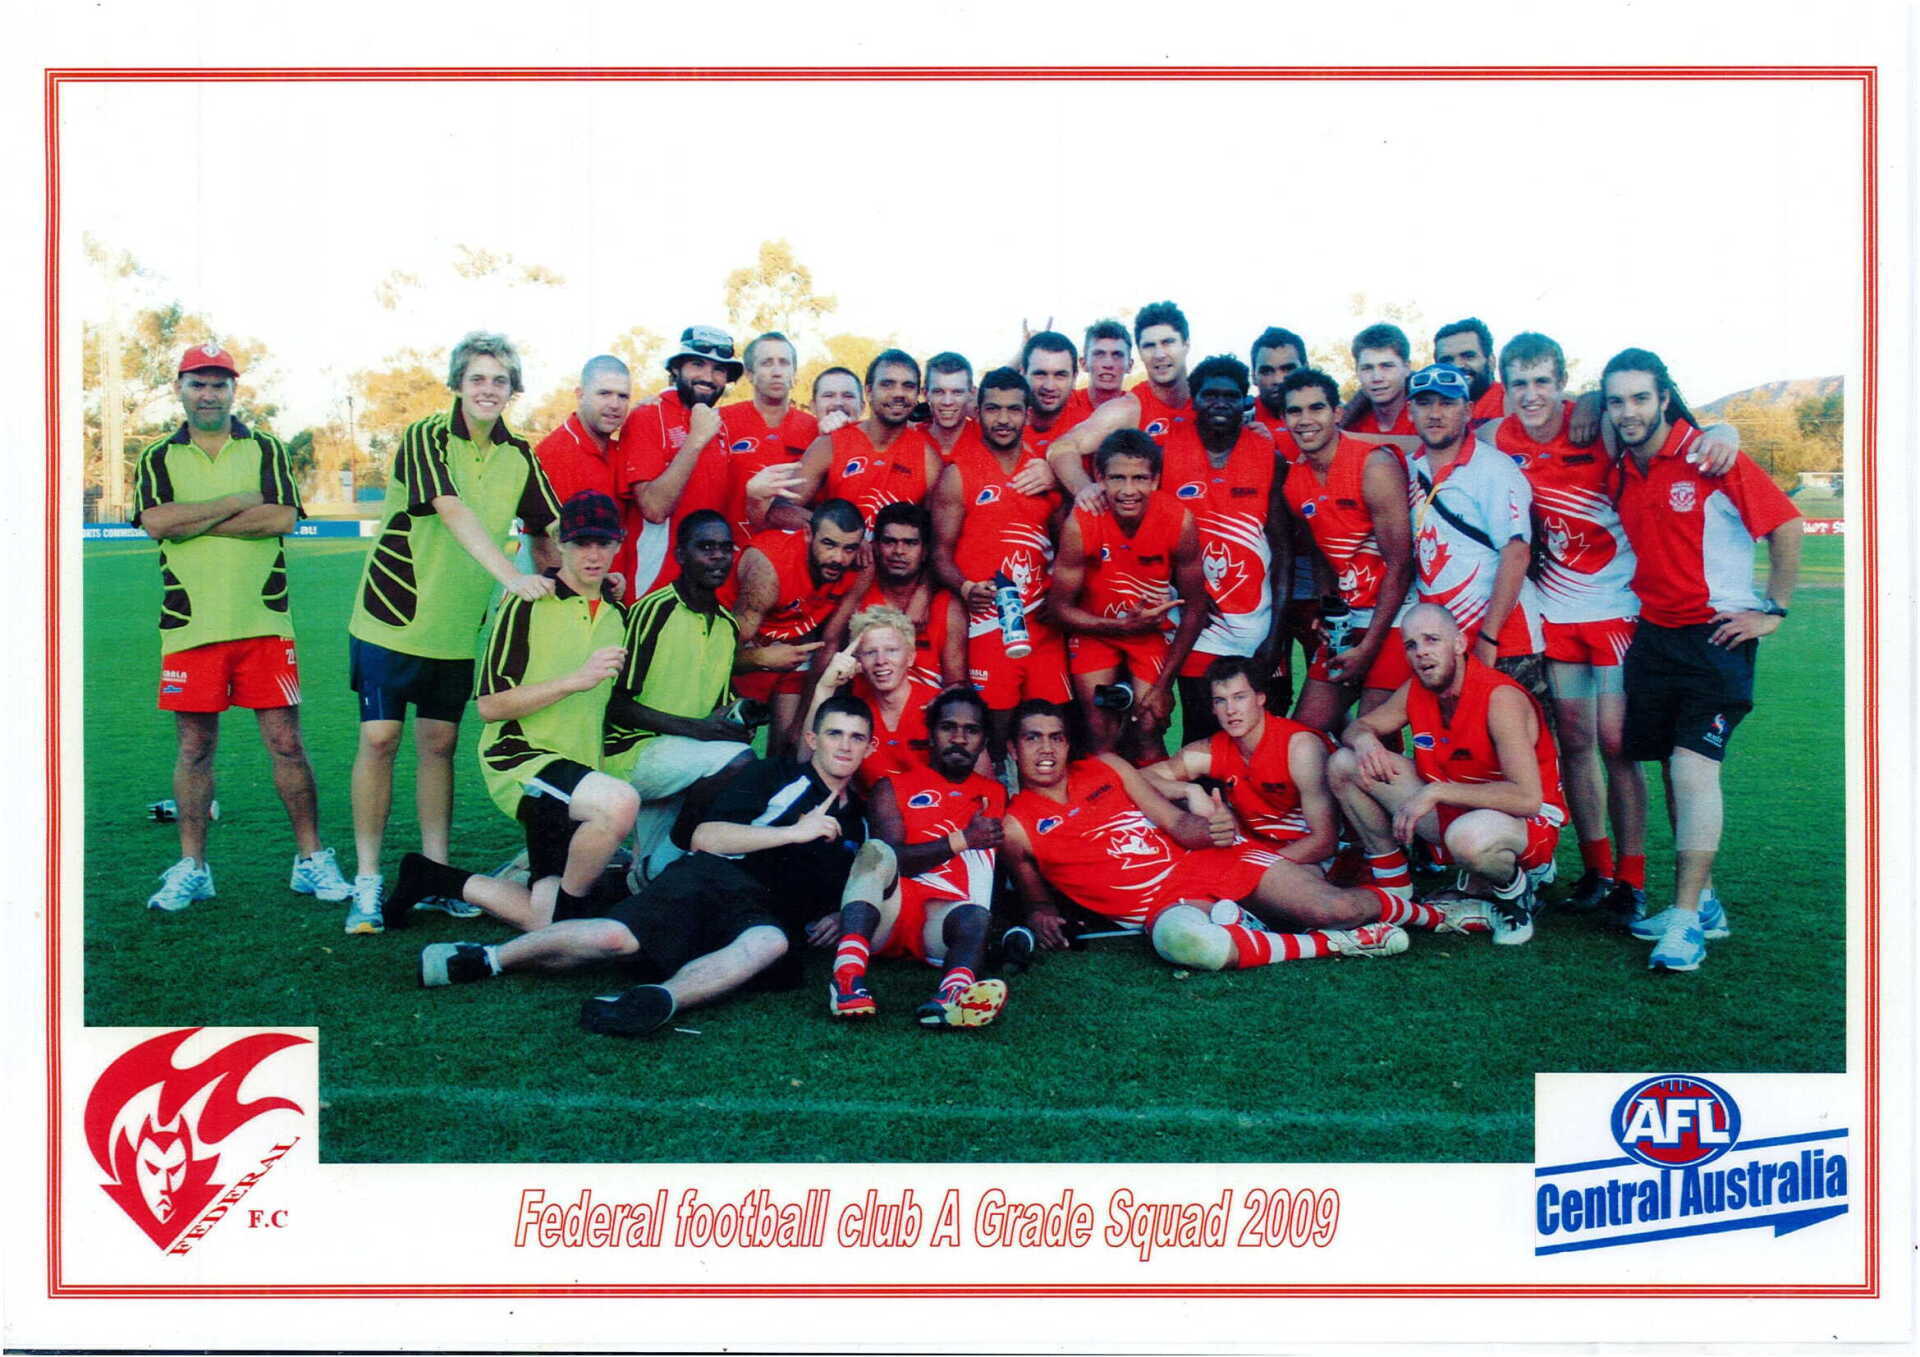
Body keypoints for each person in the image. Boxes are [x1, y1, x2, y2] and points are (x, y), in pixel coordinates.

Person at [418, 696, 888, 1039]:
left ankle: (658, 1000)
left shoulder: (860, 821)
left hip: (762, 917)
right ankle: (487, 958)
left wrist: (833, 915)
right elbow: (706, 838)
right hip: (710, 880)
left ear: (869, 747)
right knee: (614, 938)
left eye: (856, 737)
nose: (845, 746)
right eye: (834, 733)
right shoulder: (775, 776)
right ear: (813, 738)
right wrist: (792, 831)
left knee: (769, 942)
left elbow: (854, 884)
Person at [345, 331, 560, 934]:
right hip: (392, 617)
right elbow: (450, 507)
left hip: (457, 633)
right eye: (477, 379)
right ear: (457, 386)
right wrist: (509, 577)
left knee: (438, 746)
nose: (488, 390)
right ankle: (366, 883)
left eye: (499, 380)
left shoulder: (520, 455)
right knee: (381, 739)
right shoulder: (424, 437)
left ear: (512, 389)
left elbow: (547, 529)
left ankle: (436, 879)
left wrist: (575, 581)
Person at [1601, 348, 1801, 971]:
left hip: (1716, 639)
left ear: (1664, 398)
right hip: (1655, 639)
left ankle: (1685, 922)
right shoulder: (1623, 468)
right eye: (1616, 400)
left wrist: (1776, 609)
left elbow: (1786, 525)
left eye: (1640, 398)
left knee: (1693, 772)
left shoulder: (1709, 454)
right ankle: (1703, 902)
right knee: (1668, 769)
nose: (1628, 411)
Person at [133, 343, 351, 912]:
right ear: (180, 387)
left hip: (264, 622)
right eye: (198, 384)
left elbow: (280, 516)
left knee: (286, 743)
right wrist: (233, 503)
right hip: (189, 627)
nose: (209, 395)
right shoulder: (157, 457)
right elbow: (157, 522)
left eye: (219, 384)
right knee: (195, 747)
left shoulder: (267, 448)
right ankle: (193, 867)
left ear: (234, 390)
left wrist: (195, 519)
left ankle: (310, 861)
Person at [379, 490, 639, 932]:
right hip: (523, 759)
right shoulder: (527, 602)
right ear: (561, 545)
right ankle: (573, 916)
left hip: (577, 775)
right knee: (620, 803)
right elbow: (489, 707)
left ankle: (429, 876)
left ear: (619, 543)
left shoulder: (618, 612)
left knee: (543, 923)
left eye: (602, 543)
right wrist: (575, 680)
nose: (592, 555)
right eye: (580, 543)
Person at [1000, 702, 1411, 970]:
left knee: (1335, 909)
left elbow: (1178, 825)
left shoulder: (1107, 766)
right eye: (1032, 738)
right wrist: (1038, 913)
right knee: (1185, 942)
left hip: (1206, 863)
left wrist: (1212, 829)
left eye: (1056, 737)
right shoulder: (1015, 825)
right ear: (1013, 749)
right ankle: (1339, 945)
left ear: (1069, 743)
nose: (1046, 748)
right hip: (1159, 906)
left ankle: (1432, 915)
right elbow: (1035, 897)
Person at [1480, 332, 1648, 914]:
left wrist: (1722, 433)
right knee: (1575, 742)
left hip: (1617, 611)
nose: (1532, 396)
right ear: (1505, 386)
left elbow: (1666, 427)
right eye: (1520, 383)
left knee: (1616, 743)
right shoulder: (1497, 436)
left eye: (1543, 382)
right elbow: (1419, 436)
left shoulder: (1597, 422)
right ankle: (1597, 870)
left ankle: (1633, 877)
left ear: (1562, 382)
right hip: (1558, 615)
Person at [1143, 657, 1457, 926]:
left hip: (1323, 858)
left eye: (1240, 697)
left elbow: (1324, 841)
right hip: (1266, 853)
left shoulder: (1299, 748)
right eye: (1220, 701)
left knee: (1291, 899)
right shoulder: (1210, 751)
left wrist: (1259, 871)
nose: (1231, 711)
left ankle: (1407, 910)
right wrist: (1187, 789)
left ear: (1261, 698)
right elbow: (1136, 779)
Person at [1328, 604, 1568, 945]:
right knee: (1344, 764)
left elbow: (1527, 798)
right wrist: (1366, 741)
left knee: (1467, 838)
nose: (1421, 652)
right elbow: (1362, 726)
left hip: (1524, 819)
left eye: (1432, 640)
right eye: (1411, 645)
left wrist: (1436, 792)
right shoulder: (1417, 688)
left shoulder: (1499, 698)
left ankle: (1515, 893)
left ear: (1458, 643)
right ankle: (1396, 887)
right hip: (1459, 807)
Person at [836, 685, 1011, 1028]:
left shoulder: (996, 794)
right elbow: (890, 860)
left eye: (971, 730)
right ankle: (846, 980)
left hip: (941, 926)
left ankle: (952, 997)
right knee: (876, 851)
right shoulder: (893, 786)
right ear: (931, 734)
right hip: (887, 915)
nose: (959, 738)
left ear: (984, 740)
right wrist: (962, 840)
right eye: (948, 727)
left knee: (976, 916)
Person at [604, 510, 756, 888]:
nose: (718, 557)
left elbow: (714, 712)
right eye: (706, 547)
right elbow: (615, 703)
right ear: (680, 554)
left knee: (647, 882)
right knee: (739, 764)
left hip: (683, 761)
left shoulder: (726, 625)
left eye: (725, 548)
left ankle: (528, 877)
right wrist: (702, 731)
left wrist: (732, 724)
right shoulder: (651, 611)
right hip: (631, 757)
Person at [929, 367, 1073, 761]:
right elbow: (939, 552)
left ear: (1028, 413)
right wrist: (964, 587)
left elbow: (1070, 552)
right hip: (989, 627)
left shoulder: (1045, 473)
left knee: (1048, 735)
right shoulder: (959, 473)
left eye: (1013, 409)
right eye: (993, 409)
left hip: (1042, 628)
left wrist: (1059, 598)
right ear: (979, 411)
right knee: (994, 737)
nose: (1004, 419)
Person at [1048, 429, 1209, 757]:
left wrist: (1164, 686)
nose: (1128, 490)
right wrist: (1117, 627)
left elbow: (1195, 609)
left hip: (1148, 631)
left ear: (1155, 480)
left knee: (1150, 724)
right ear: (1099, 478)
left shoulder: (1178, 520)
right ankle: (1110, 805)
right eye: (1117, 478)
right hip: (1093, 628)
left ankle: (1156, 806)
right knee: (1099, 731)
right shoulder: (1082, 521)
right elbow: (1058, 609)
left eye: (1139, 478)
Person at [1155, 354, 1289, 743]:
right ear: (1193, 400)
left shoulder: (1267, 456)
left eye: (1230, 396)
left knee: (1263, 736)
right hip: (1199, 626)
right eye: (1209, 395)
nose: (1219, 404)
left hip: (1256, 623)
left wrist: (1276, 636)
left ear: (1244, 401)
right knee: (1200, 733)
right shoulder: (1165, 452)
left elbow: (1282, 553)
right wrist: (1181, 591)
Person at [1278, 367, 1416, 730]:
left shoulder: (1374, 465)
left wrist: (1369, 646)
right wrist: (1328, 608)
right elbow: (1322, 553)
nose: (1305, 420)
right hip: (1349, 620)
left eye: (1316, 408)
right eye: (1295, 411)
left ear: (1337, 413)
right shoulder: (1295, 481)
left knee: (1371, 737)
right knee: (1301, 734)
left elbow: (1401, 566)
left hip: (1396, 619)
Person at [1403, 363, 1546, 696]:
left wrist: (1488, 637)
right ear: (1410, 411)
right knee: (1456, 743)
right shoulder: (1408, 468)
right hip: (1441, 643)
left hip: (1504, 641)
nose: (1435, 413)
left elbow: (1516, 554)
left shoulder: (1493, 467)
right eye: (1424, 403)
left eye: (1447, 403)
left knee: (1519, 742)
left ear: (1468, 410)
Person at [727, 498, 865, 756]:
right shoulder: (769, 569)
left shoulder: (859, 568)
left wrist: (801, 722)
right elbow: (720, 658)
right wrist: (760, 658)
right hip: (746, 652)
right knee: (734, 749)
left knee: (792, 748)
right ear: (808, 534)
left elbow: (830, 643)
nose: (838, 558)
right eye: (828, 544)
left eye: (849, 548)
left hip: (794, 654)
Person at [619, 324, 745, 597]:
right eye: (697, 364)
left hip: (707, 589)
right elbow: (653, 508)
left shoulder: (720, 425)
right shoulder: (648, 416)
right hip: (656, 589)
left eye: (719, 370)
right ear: (676, 368)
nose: (707, 377)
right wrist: (696, 440)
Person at [1044, 301, 1197, 501]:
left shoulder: (1210, 400)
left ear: (1186, 345)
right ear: (1140, 353)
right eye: (1149, 346)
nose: (1159, 354)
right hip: (1153, 526)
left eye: (1168, 342)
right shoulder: (1129, 408)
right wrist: (1085, 490)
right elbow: (1062, 447)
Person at [778, 350, 942, 528]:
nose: (898, 393)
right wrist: (842, 534)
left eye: (908, 386)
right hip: (837, 554)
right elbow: (781, 509)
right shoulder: (831, 443)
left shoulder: (928, 459)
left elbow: (933, 534)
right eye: (887, 384)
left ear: (918, 394)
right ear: (869, 391)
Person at [801, 607, 944, 792]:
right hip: (868, 814)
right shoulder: (853, 711)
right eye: (870, 652)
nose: (881, 660)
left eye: (891, 650)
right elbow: (806, 761)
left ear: (910, 658)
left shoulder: (940, 705)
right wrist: (824, 687)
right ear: (858, 661)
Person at [532, 354, 639, 591]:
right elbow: (544, 544)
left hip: (610, 596)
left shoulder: (619, 449)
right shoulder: (555, 453)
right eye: (604, 394)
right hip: (574, 604)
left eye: (623, 396)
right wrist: (571, 602)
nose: (615, 404)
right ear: (580, 395)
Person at [833, 501, 966, 690]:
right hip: (867, 713)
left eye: (910, 543)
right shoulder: (859, 595)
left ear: (925, 552)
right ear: (876, 547)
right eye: (890, 542)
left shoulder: (947, 606)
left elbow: (956, 684)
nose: (899, 551)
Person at [719, 332, 819, 541]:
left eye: (784, 363)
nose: (776, 372)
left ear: (793, 372)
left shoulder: (814, 428)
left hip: (791, 553)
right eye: (766, 363)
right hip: (729, 550)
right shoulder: (721, 421)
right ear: (749, 373)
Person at [1340, 323, 1420, 454]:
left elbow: (1432, 447)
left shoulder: (1425, 414)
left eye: (1387, 366)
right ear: (1357, 372)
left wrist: (1345, 439)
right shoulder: (1352, 423)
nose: (1376, 377)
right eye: (1367, 368)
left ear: (1406, 368)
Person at [1020, 329, 1095, 460]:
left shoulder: (1091, 424)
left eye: (1060, 375)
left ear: (1074, 377)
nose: (1049, 386)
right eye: (1040, 374)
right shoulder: (1003, 421)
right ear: (1023, 373)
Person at [1433, 318, 1508, 424]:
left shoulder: (1513, 401)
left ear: (1491, 361)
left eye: (1468, 356)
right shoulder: (1427, 410)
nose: (1457, 366)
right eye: (1447, 361)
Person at [921, 351, 977, 462]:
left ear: (972, 393)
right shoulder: (908, 438)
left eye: (957, 392)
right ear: (925, 394)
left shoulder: (990, 440)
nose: (947, 402)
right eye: (938, 392)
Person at [1081, 319, 1135, 410]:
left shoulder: (1139, 409)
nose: (1108, 364)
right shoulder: (1061, 406)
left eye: (1117, 355)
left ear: (1129, 365)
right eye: (1099, 354)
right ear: (1083, 363)